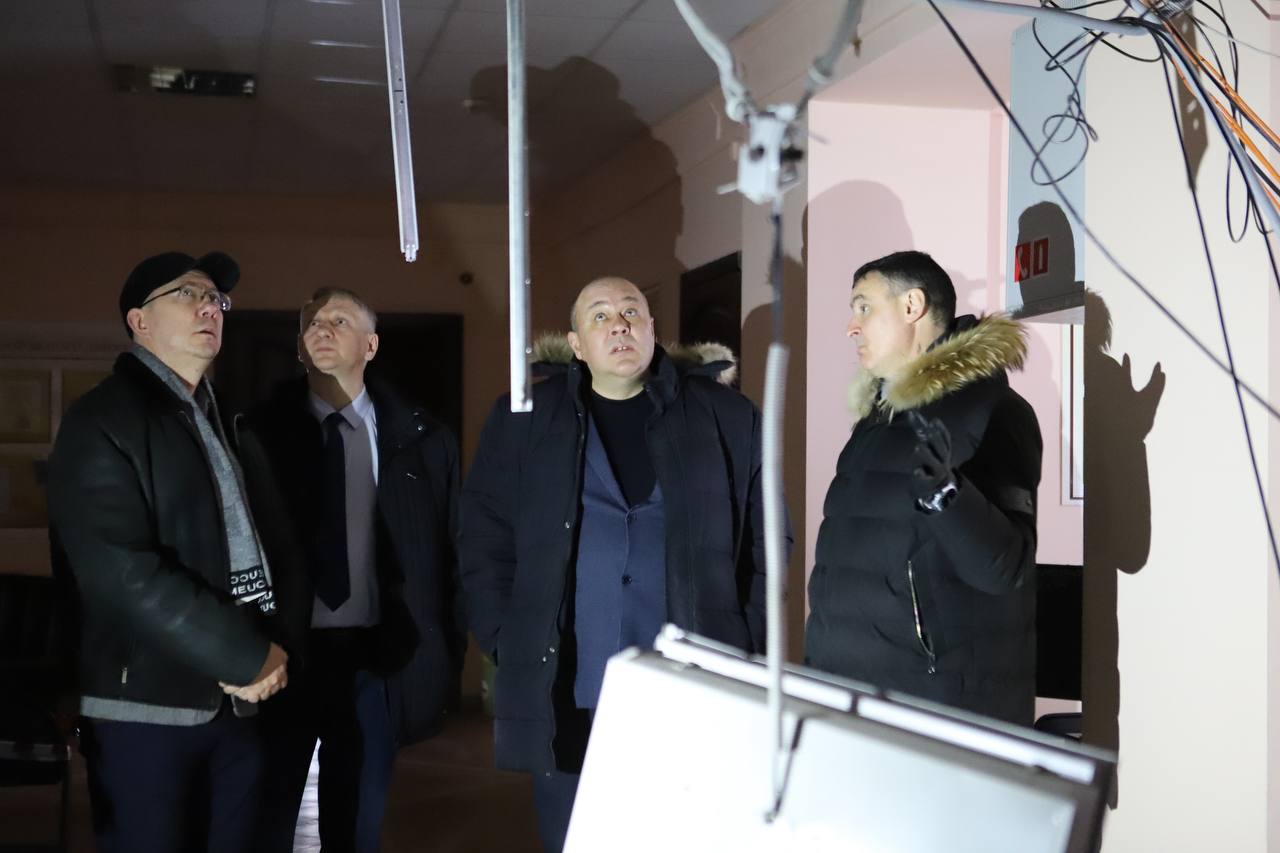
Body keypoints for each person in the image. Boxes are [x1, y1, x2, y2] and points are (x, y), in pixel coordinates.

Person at [460, 276, 784, 852]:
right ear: (576, 344)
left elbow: (768, 540)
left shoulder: (726, 417)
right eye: (601, 316)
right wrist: (507, 637)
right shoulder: (523, 418)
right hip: (567, 687)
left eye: (632, 312)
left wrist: (745, 639)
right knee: (575, 836)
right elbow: (484, 534)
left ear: (653, 330)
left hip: (690, 686)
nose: (620, 325)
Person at [47, 251, 296, 853]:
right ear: (139, 321)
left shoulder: (226, 419)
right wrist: (246, 655)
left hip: (241, 702)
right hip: (146, 708)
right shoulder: (101, 420)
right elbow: (121, 573)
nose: (210, 307)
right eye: (188, 293)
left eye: (216, 299)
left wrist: (275, 651)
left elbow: (278, 550)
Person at [246, 287, 465, 853]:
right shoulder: (258, 434)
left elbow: (448, 551)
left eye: (339, 321)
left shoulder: (422, 441)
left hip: (376, 658)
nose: (322, 329)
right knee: (269, 821)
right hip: (285, 654)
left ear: (370, 345)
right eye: (313, 323)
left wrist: (445, 650)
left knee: (359, 825)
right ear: (299, 347)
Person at [805, 250, 1043, 725]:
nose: (851, 327)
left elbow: (1006, 567)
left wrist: (947, 497)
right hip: (847, 697)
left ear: (912, 306)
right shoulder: (876, 422)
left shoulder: (995, 412)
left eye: (864, 307)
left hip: (932, 710)